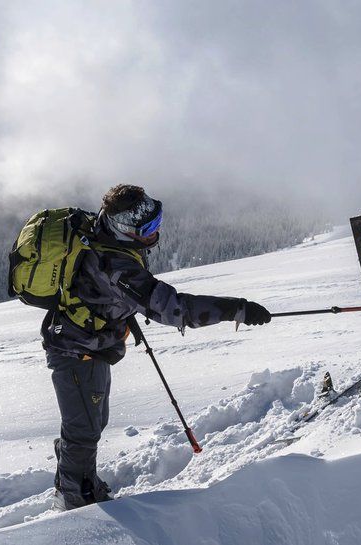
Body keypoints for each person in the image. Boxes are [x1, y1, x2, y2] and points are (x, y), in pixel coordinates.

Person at [42, 184, 271, 510]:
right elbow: (175, 308)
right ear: (124, 229)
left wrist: (120, 310)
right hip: (75, 349)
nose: (156, 231)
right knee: (84, 429)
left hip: (89, 343)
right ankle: (76, 502)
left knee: (91, 421)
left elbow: (97, 289)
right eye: (147, 228)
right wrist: (237, 309)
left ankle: (75, 474)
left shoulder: (103, 233)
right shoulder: (117, 266)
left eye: (156, 221)